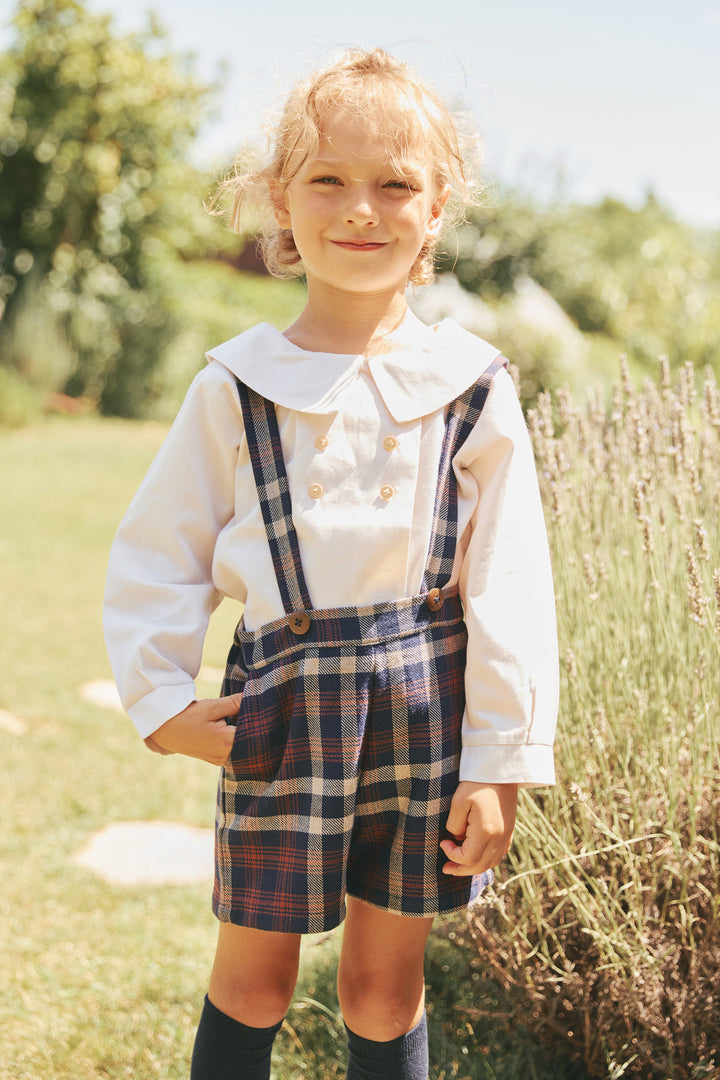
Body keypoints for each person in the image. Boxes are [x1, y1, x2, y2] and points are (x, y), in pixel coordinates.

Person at [104, 47, 558, 1080]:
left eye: (396, 184)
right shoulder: (237, 385)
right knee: (254, 980)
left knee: (382, 988)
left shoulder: (471, 387)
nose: (363, 210)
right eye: (329, 180)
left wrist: (499, 760)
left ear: (437, 209)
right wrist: (160, 697)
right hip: (282, 709)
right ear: (280, 199)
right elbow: (158, 550)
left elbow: (511, 584)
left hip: (424, 712)